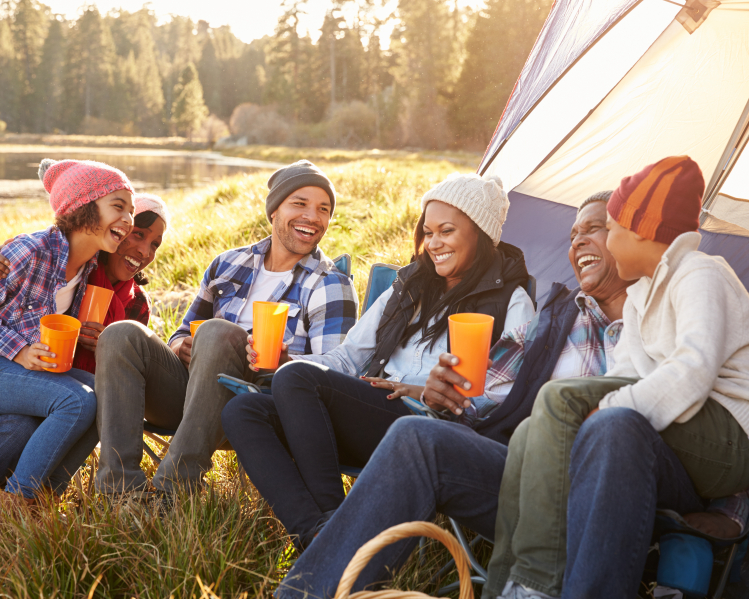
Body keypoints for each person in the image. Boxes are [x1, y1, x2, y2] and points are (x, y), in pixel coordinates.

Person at [274, 186, 749, 598]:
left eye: (595, 228)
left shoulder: (673, 306)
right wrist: (441, 394)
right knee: (417, 436)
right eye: (572, 235)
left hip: (625, 485)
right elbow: (479, 401)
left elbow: (726, 403)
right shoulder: (552, 324)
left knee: (614, 424)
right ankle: (304, 593)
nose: (579, 240)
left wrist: (735, 513)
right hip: (529, 481)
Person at [223, 172, 535, 551]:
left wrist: (427, 392)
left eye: (447, 231)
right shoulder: (410, 286)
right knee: (245, 409)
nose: (434, 243)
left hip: (429, 428)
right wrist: (294, 362)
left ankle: (340, 534)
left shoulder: (512, 302)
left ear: (481, 235)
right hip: (372, 413)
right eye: (428, 232)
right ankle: (317, 532)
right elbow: (349, 357)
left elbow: (508, 398)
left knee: (297, 380)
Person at [485, 156, 749, 599]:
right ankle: (503, 587)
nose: (595, 241)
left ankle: (538, 582)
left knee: (559, 401)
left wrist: (602, 410)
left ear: (638, 231)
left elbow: (692, 372)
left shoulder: (701, 273)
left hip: (729, 438)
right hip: (688, 432)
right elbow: (624, 375)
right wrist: (585, 413)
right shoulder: (641, 296)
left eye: (609, 229)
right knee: (534, 429)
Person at [92, 160, 358, 505]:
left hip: (261, 405)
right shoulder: (228, 264)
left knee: (218, 333)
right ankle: (119, 492)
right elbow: (183, 329)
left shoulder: (329, 283)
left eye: (323, 209)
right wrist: (180, 346)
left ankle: (175, 490)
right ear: (274, 211)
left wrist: (286, 361)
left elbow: (335, 371)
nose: (313, 216)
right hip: (191, 396)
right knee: (120, 334)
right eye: (300, 203)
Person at [0, 194, 168, 520]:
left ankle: (22, 504)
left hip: (51, 391)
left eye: (155, 244)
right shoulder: (66, 262)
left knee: (19, 429)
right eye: (138, 234)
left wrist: (108, 349)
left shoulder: (134, 305)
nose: (145, 251)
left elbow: (121, 383)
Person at [0, 158, 135, 510]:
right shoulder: (29, 249)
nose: (128, 219)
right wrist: (20, 351)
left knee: (103, 395)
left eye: (131, 210)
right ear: (83, 207)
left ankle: (42, 500)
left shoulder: (87, 270)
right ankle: (18, 502)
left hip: (15, 369)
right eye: (118, 206)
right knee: (76, 400)